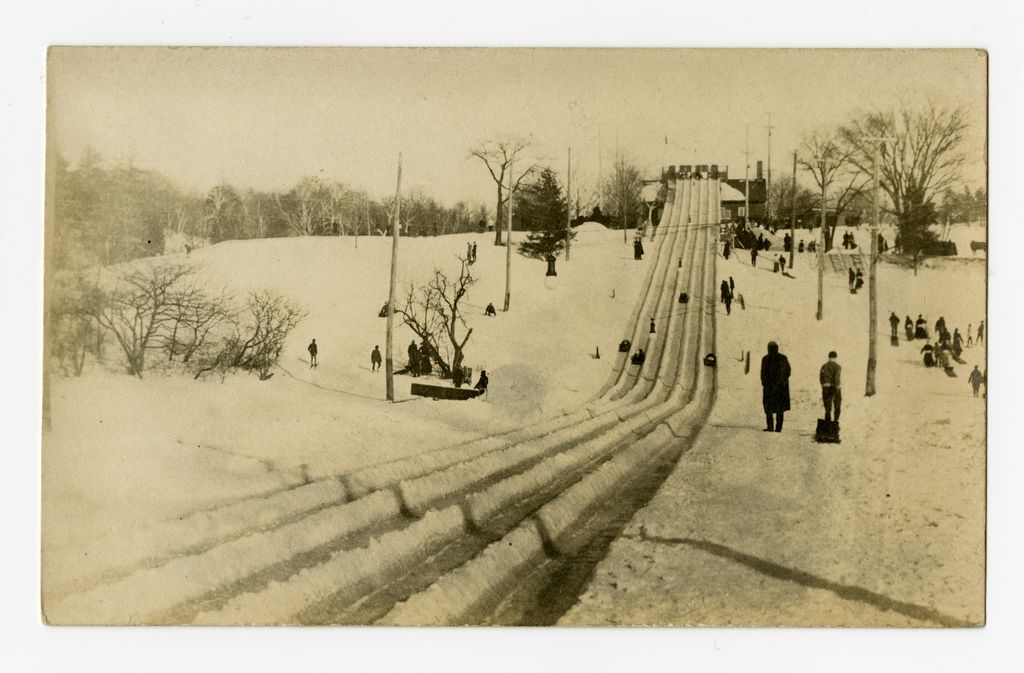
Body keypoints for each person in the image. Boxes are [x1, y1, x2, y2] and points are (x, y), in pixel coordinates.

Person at [760, 341, 791, 432]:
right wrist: (783, 381)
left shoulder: (765, 359)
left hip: (770, 387)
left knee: (769, 407)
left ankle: (770, 427)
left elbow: (763, 373)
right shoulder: (783, 358)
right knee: (779, 408)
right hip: (781, 388)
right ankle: (778, 428)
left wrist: (764, 383)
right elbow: (788, 371)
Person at [820, 351, 842, 423]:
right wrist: (837, 387)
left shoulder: (824, 366)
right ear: (835, 357)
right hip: (834, 387)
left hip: (825, 387)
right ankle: (836, 420)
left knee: (827, 406)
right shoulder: (837, 366)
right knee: (837, 404)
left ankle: (827, 421)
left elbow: (821, 377)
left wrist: (823, 385)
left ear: (829, 357)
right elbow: (836, 378)